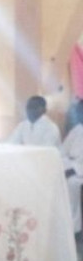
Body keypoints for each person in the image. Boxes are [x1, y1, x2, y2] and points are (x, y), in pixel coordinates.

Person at [61, 100, 83, 234]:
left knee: (72, 184)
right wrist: (66, 167)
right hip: (72, 168)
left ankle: (74, 229)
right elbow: (62, 152)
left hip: (78, 173)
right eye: (79, 111)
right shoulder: (76, 130)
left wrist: (74, 170)